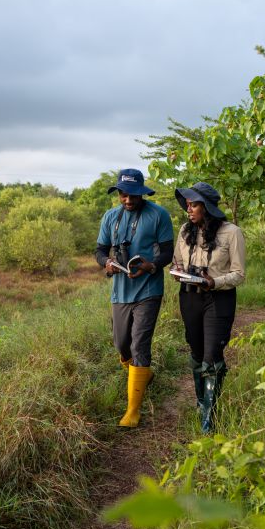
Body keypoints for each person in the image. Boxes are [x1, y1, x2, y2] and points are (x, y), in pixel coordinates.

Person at [95, 169, 174, 428]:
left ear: (143, 192)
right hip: (120, 289)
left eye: (133, 195)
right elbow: (100, 250)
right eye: (123, 194)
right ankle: (143, 374)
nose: (128, 200)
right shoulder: (110, 217)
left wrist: (150, 266)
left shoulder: (158, 215)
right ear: (119, 193)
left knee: (140, 344)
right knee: (121, 344)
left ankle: (133, 411)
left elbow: (167, 252)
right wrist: (106, 263)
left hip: (149, 290)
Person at [172, 182, 245, 433]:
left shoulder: (232, 232)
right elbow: (177, 262)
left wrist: (214, 281)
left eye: (194, 204)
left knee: (212, 356)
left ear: (208, 207)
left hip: (219, 298)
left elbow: (238, 274)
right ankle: (202, 401)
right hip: (189, 296)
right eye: (188, 204)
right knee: (196, 350)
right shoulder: (184, 231)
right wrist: (178, 272)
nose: (188, 209)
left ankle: (209, 418)